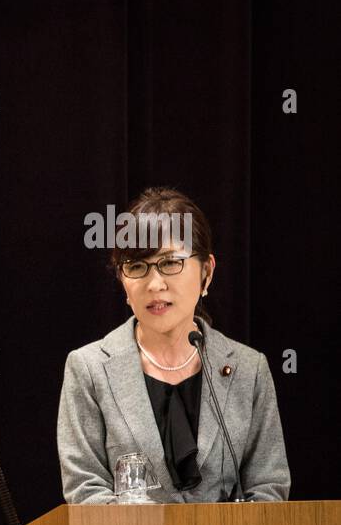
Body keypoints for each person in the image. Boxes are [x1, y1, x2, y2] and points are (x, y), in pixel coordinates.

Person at [57, 187, 289, 504]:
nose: (155, 284)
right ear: (123, 283)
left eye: (169, 263)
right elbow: (84, 490)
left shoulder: (249, 369)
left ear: (206, 272)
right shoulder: (89, 369)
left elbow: (269, 488)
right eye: (137, 267)